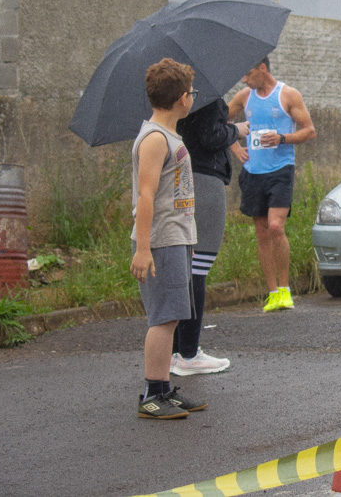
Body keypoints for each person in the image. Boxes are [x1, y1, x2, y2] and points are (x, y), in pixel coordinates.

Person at [131, 57, 208, 420]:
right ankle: (151, 392)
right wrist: (143, 249)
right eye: (191, 92)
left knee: (174, 315)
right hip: (161, 239)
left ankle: (163, 389)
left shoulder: (169, 135)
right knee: (163, 317)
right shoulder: (155, 139)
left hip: (177, 236)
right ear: (182, 98)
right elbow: (145, 196)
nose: (193, 97)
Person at [227, 57, 316, 312]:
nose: (244, 80)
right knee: (263, 232)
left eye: (248, 73)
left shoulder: (287, 94)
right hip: (253, 171)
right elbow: (219, 119)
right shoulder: (245, 96)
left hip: (280, 170)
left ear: (262, 69)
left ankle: (286, 290)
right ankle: (273, 293)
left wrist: (281, 138)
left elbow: (309, 130)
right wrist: (234, 147)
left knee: (276, 226)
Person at [170, 98, 249, 375]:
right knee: (198, 266)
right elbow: (210, 135)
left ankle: (176, 351)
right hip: (205, 179)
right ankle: (189, 354)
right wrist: (235, 130)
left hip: (185, 176)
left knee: (184, 266)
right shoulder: (207, 97)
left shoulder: (179, 99)